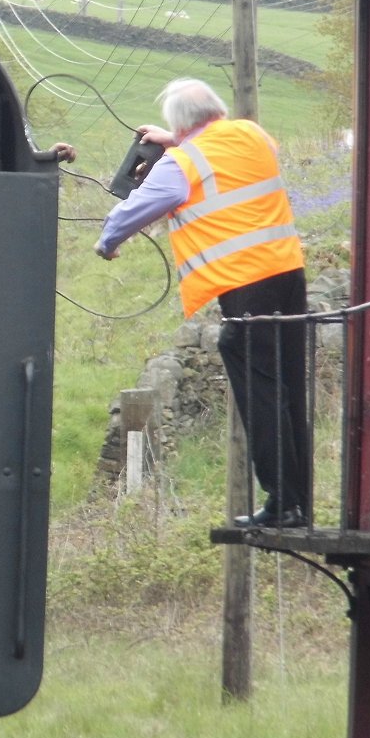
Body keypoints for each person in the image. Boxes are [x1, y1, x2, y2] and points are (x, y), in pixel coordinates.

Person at [95, 78, 310, 528]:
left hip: (246, 284)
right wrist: (176, 140)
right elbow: (216, 146)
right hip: (289, 272)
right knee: (289, 387)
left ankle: (282, 504)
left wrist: (109, 240)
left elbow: (148, 202)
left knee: (262, 393)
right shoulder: (252, 134)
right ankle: (298, 502)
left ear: (182, 125)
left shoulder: (181, 163)